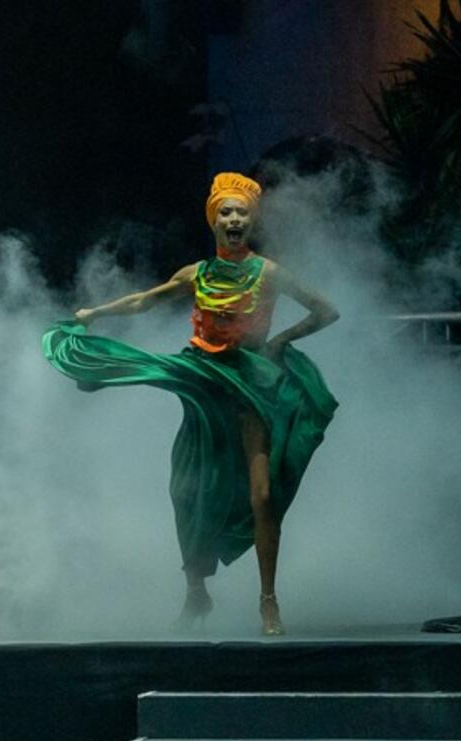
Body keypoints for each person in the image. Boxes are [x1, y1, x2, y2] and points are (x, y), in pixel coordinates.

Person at [43, 173, 339, 635]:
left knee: (262, 496)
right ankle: (196, 593)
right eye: (226, 212)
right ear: (214, 221)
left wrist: (281, 340)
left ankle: (268, 601)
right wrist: (95, 313)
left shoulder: (267, 272)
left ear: (251, 221)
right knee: (187, 491)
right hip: (205, 385)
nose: (234, 219)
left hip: (251, 386)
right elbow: (143, 301)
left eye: (242, 212)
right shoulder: (196, 274)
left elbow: (325, 310)